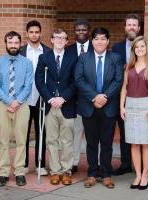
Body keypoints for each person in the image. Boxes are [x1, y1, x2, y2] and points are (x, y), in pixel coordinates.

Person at [74, 27, 123, 189]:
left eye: (103, 38)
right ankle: (92, 173)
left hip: (108, 107)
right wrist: (95, 96)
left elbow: (118, 80)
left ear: (108, 41)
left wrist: (104, 97)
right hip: (89, 106)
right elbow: (79, 80)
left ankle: (106, 174)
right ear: (92, 41)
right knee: (92, 143)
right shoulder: (83, 58)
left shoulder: (115, 58)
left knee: (107, 143)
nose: (99, 41)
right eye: (96, 38)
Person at [112, 13, 148, 175]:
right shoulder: (116, 48)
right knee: (126, 133)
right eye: (128, 24)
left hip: (144, 99)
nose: (131, 27)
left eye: (134, 25)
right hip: (124, 99)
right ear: (125, 27)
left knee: (145, 136)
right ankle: (126, 164)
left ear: (139, 28)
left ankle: (144, 169)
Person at [35, 28, 77, 185]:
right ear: (51, 40)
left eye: (63, 38)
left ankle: (66, 171)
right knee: (51, 140)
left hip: (67, 105)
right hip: (50, 105)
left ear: (67, 41)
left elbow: (75, 81)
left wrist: (63, 98)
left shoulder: (73, 58)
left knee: (67, 140)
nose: (59, 40)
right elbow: (39, 80)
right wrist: (51, 98)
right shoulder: (43, 58)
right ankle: (55, 171)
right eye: (56, 38)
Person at [0, 31, 33, 187]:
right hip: (3, 105)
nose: (13, 46)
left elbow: (28, 85)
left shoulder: (27, 63)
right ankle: (3, 173)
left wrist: (17, 102)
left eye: (16, 43)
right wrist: (10, 102)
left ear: (20, 44)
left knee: (21, 141)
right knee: (3, 140)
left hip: (22, 105)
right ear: (6, 43)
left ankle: (19, 173)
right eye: (10, 43)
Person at [120, 36, 148, 190]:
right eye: (137, 47)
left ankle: (145, 175)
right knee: (134, 143)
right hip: (130, 105)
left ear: (147, 48)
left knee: (146, 142)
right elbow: (124, 87)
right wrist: (122, 107)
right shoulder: (128, 67)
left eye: (142, 46)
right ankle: (137, 174)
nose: (140, 49)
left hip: (146, 105)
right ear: (133, 50)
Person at [19, 20, 51, 176]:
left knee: (41, 132)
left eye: (36, 32)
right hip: (24, 99)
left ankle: (40, 164)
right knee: (23, 132)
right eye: (31, 32)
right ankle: (24, 164)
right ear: (27, 33)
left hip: (41, 98)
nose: (34, 34)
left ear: (40, 33)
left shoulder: (47, 52)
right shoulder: (20, 52)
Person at [66, 19, 94, 174]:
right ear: (74, 31)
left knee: (92, 135)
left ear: (89, 31)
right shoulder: (68, 50)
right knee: (75, 133)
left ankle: (94, 164)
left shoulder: (95, 48)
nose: (81, 32)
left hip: (92, 100)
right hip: (74, 100)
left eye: (84, 29)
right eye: (78, 30)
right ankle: (73, 162)